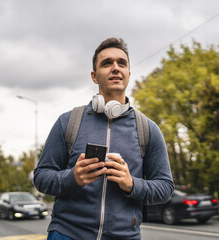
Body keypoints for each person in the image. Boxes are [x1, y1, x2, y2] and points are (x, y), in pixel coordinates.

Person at [34, 37, 174, 240]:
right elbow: (41, 177)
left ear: (128, 74)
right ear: (94, 76)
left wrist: (131, 184)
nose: (115, 68)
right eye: (107, 63)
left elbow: (165, 188)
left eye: (122, 63)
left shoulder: (148, 129)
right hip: (67, 234)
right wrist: (72, 177)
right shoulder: (68, 122)